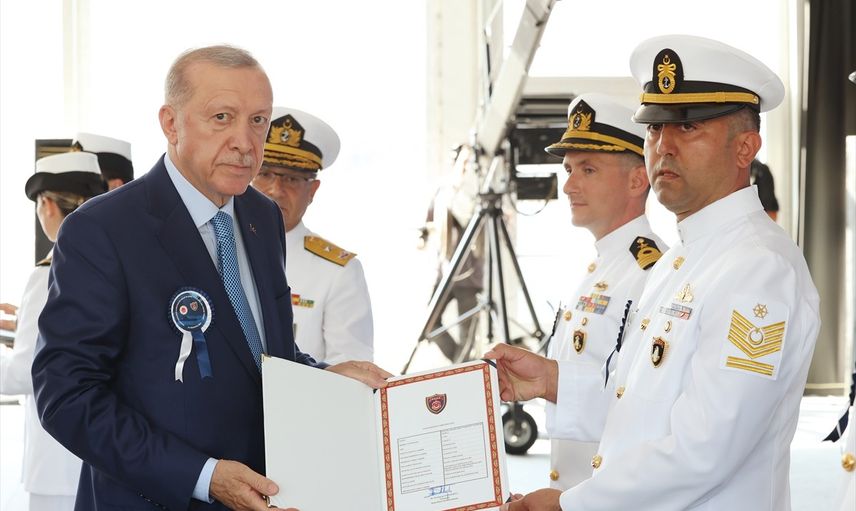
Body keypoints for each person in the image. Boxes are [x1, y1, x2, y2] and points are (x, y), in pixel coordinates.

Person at [31, 45, 391, 511]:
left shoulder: (261, 217)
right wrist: (202, 476)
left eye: (258, 120)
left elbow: (254, 351)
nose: (245, 142)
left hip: (267, 493)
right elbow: (67, 396)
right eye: (222, 117)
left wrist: (323, 377)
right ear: (171, 123)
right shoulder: (102, 229)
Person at [489, 34, 820, 510]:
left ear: (745, 147)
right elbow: (641, 406)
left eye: (687, 127)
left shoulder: (759, 268)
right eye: (654, 128)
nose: (664, 146)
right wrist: (550, 380)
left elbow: (705, 449)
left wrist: (569, 506)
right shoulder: (678, 260)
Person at [539, 93, 666, 489]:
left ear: (637, 180)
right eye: (568, 169)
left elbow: (648, 405)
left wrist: (546, 379)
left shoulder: (653, 273)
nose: (568, 186)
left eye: (588, 169)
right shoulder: (599, 268)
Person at [1, 151, 105, 510]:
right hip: (104, 455)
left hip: (56, 464)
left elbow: (22, 374)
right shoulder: (108, 264)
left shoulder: (47, 274)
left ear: (46, 205)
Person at [251, 107, 373, 363]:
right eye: (265, 174)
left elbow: (350, 372)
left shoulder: (338, 272)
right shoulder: (217, 246)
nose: (276, 190)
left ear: (313, 191)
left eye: (292, 179)